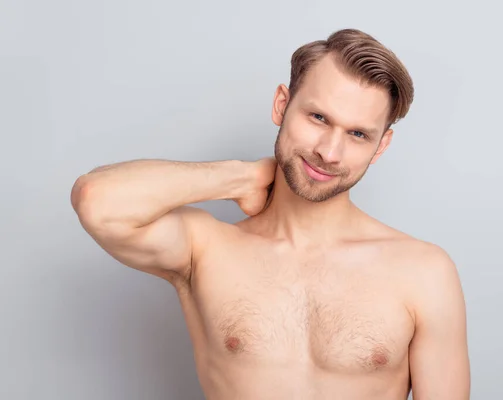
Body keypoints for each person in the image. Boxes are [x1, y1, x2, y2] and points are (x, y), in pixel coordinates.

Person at [71, 28, 470, 400]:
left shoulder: (423, 271)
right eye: (318, 118)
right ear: (282, 104)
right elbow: (96, 199)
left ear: (380, 147)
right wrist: (239, 176)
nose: (329, 153)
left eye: (357, 134)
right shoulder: (206, 250)